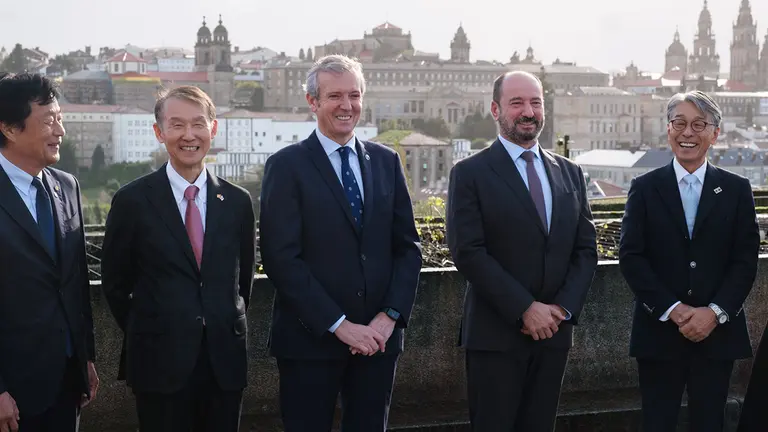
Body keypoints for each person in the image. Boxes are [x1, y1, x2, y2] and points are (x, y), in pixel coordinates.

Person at [259, 54, 422, 431]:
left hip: (378, 344)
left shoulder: (386, 162)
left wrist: (389, 317)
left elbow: (407, 248)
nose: (346, 106)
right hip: (309, 342)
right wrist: (339, 325)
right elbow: (281, 258)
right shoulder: (286, 167)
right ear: (312, 101)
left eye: (354, 95)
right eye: (334, 96)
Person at [446, 71, 597, 431]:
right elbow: (468, 252)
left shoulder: (571, 174)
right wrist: (525, 309)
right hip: (495, 338)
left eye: (535, 102)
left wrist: (560, 310)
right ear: (496, 109)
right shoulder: (470, 173)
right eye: (517, 103)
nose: (528, 111)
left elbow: (585, 249)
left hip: (554, 337)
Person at [101, 86, 255, 432]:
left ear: (213, 129)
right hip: (158, 363)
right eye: (177, 125)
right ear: (159, 132)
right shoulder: (132, 201)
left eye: (199, 124)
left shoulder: (237, 202)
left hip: (224, 364)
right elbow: (114, 285)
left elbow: (242, 282)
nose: (189, 136)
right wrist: (155, 329)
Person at [619, 90, 759, 432]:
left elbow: (745, 259)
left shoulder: (738, 189)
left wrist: (714, 312)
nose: (687, 133)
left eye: (699, 124)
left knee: (710, 423)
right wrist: (675, 310)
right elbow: (631, 256)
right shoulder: (644, 187)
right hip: (659, 332)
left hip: (717, 335)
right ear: (668, 130)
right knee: (657, 422)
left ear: (715, 133)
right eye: (679, 123)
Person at [0, 73, 99, 432]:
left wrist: (85, 357)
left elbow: (76, 281)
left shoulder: (66, 185)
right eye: (49, 121)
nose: (60, 131)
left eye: (60, 118)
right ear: (10, 129)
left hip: (66, 381)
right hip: (11, 389)